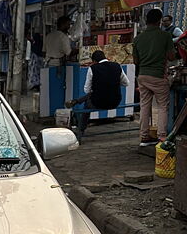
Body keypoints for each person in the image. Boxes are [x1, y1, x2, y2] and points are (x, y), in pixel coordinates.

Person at [133, 8, 176, 146]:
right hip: (158, 76)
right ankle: (162, 137)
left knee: (145, 106)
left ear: (147, 21)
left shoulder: (138, 38)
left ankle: (144, 137)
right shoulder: (165, 36)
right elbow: (171, 56)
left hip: (143, 76)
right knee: (163, 106)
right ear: (159, 21)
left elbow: (136, 61)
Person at [65, 50, 130, 137]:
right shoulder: (117, 66)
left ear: (94, 61)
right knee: (91, 95)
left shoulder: (92, 68)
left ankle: (81, 130)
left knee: (87, 102)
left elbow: (86, 90)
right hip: (115, 101)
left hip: (99, 103)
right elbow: (126, 83)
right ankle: (76, 101)